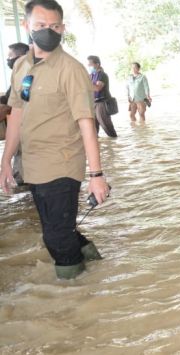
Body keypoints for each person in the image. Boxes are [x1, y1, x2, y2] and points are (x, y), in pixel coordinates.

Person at [0, 0, 110, 280]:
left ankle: (73, 299)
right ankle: (94, 264)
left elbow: (87, 122)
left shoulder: (71, 70)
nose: (48, 31)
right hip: (33, 165)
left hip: (62, 163)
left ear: (63, 28)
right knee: (58, 228)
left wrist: (96, 175)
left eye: (54, 26)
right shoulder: (21, 67)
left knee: (56, 238)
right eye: (40, 25)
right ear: (26, 26)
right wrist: (5, 161)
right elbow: (16, 115)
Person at [3, 42, 30, 184]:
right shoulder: (18, 74)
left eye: (10, 56)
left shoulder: (28, 74)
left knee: (24, 178)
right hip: (19, 132)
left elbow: (18, 102)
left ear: (21, 56)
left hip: (26, 132)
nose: (8, 60)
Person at [87, 55, 117, 137]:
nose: (88, 66)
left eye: (90, 64)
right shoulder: (92, 75)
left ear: (97, 64)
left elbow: (97, 88)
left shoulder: (102, 75)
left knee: (106, 125)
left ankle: (114, 143)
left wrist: (87, 83)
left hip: (102, 103)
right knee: (93, 128)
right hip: (93, 103)